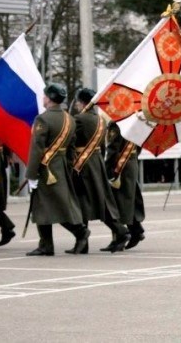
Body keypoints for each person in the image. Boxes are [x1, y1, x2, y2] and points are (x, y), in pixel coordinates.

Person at [25, 83, 89, 256]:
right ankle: (46, 244)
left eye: (45, 95)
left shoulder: (43, 119)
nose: (43, 98)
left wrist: (31, 174)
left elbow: (37, 148)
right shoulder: (70, 119)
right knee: (53, 205)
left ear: (50, 98)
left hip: (47, 169)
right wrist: (67, 167)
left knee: (45, 205)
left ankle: (77, 232)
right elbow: (71, 147)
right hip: (60, 167)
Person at [71, 88, 129, 253]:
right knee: (100, 200)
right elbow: (102, 146)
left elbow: (71, 141)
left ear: (81, 102)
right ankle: (119, 231)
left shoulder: (79, 119)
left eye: (77, 101)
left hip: (83, 164)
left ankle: (118, 232)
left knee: (83, 199)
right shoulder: (100, 120)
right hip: (95, 161)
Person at [105, 121, 146, 250]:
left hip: (119, 166)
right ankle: (136, 230)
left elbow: (113, 148)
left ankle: (119, 239)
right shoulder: (136, 121)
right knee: (128, 200)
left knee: (117, 203)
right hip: (131, 162)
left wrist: (107, 169)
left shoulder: (117, 123)